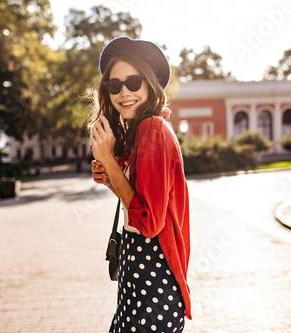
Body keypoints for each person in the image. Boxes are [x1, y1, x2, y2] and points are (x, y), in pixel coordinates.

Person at [89, 36, 191, 332]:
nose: (124, 92)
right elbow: (139, 202)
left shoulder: (154, 130)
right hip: (136, 281)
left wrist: (109, 162)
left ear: (149, 84)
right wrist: (112, 179)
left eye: (134, 82)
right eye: (114, 85)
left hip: (153, 287)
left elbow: (148, 223)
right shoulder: (141, 131)